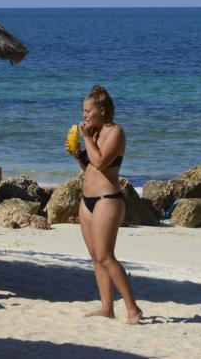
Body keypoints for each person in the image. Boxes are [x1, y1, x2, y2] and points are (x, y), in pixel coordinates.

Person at [65, 85, 143, 324]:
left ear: (102, 110)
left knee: (106, 255)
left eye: (88, 111)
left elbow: (100, 163)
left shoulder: (115, 132)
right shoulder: (95, 133)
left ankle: (133, 308)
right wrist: (78, 154)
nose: (84, 115)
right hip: (87, 200)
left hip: (107, 200)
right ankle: (107, 307)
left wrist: (87, 137)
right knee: (95, 257)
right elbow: (89, 167)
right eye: (83, 111)